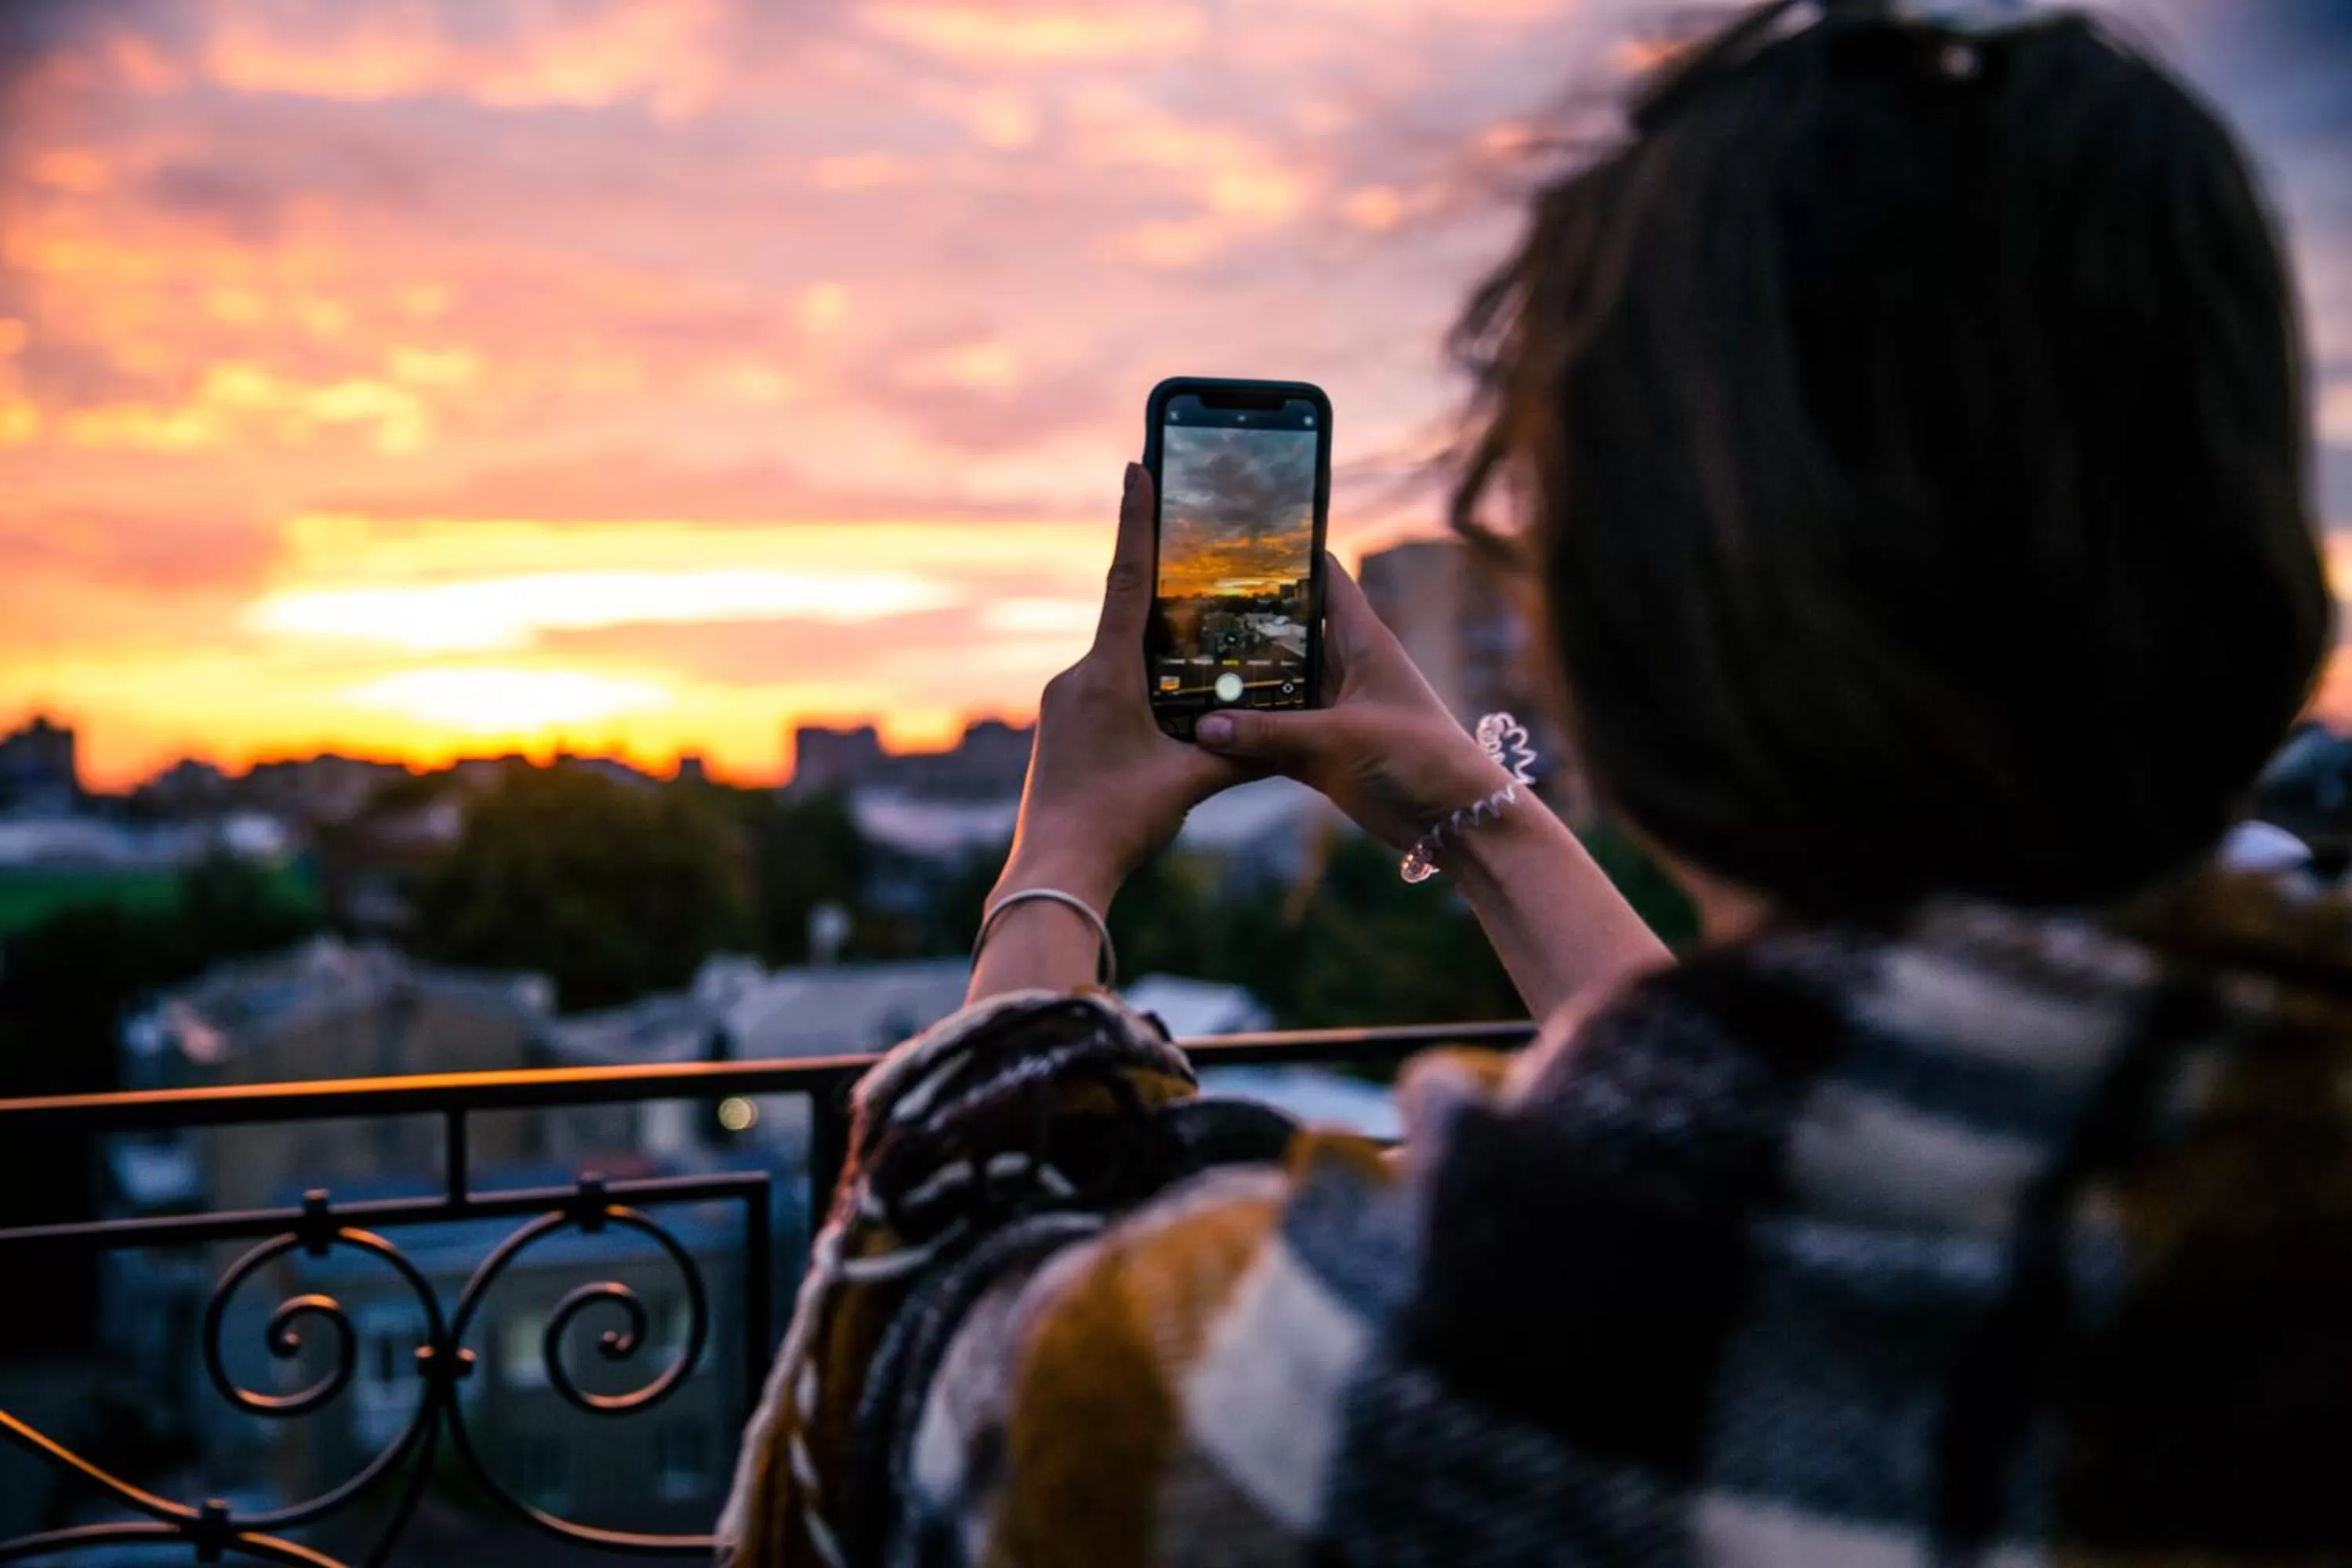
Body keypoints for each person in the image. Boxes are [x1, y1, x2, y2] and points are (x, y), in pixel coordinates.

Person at [721, 0, 2351, 1561]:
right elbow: (1837, 1098)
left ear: (1610, 620)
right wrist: (1463, 801)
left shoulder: (1387, 1377)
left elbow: (898, 1407)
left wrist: (1057, 856)